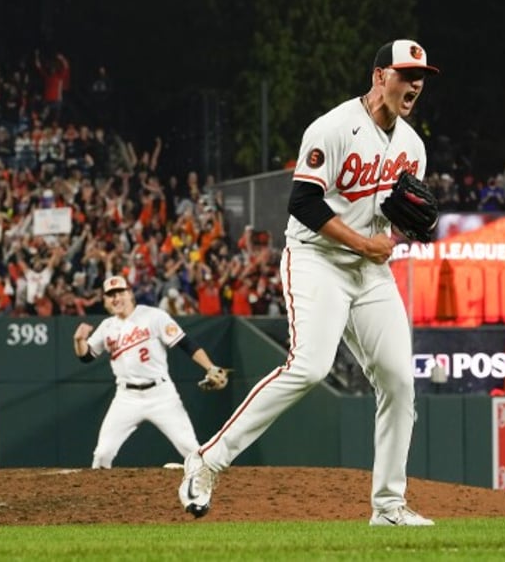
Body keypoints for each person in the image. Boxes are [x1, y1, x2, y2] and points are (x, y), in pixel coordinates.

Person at [177, 39, 438, 527]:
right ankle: (207, 460)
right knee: (311, 367)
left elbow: (398, 217)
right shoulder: (334, 127)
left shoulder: (412, 147)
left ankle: (388, 507)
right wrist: (365, 244)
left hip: (370, 273)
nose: (415, 84)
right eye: (405, 73)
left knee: (401, 382)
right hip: (317, 259)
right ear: (380, 75)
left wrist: (399, 234)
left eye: (421, 76)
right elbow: (304, 202)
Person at [72, 275, 225, 469]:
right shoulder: (107, 327)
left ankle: (211, 488)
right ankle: (98, 498)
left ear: (130, 294)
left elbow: (185, 343)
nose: (116, 298)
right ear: (105, 300)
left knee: (190, 448)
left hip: (161, 394)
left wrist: (210, 367)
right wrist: (79, 341)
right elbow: (86, 357)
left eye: (119, 292)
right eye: (110, 295)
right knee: (102, 454)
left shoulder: (154, 316)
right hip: (126, 397)